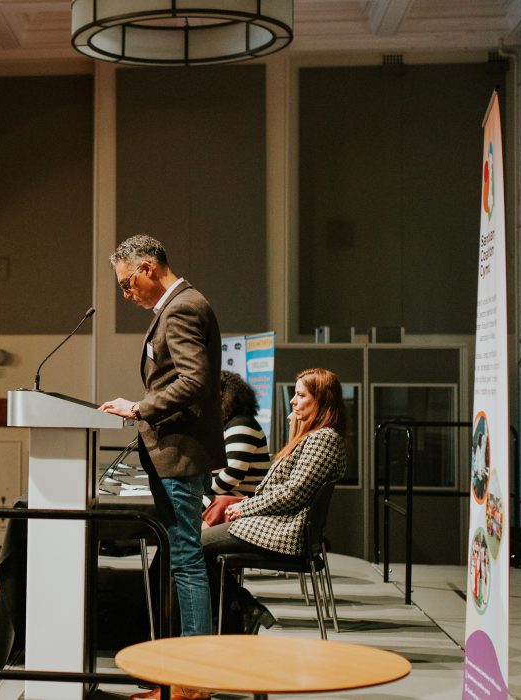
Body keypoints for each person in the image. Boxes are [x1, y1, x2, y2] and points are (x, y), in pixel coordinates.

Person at [99, 235, 222, 700]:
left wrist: (140, 407)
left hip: (180, 452)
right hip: (172, 451)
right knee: (180, 560)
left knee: (187, 561)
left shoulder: (185, 307)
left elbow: (195, 380)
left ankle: (193, 683)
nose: (127, 295)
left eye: (128, 284)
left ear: (148, 268)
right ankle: (183, 675)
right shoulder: (176, 308)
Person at [202, 368, 349, 636]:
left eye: (301, 395)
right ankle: (235, 615)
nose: (293, 401)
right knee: (195, 545)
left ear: (322, 400)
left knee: (193, 547)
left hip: (285, 530)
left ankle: (242, 610)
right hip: (277, 523)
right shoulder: (313, 436)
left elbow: (293, 493)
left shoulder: (323, 438)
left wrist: (243, 507)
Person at [210, 370, 271, 498]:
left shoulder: (242, 424)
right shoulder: (233, 424)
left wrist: (198, 493)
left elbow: (232, 474)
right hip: (228, 498)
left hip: (236, 500)